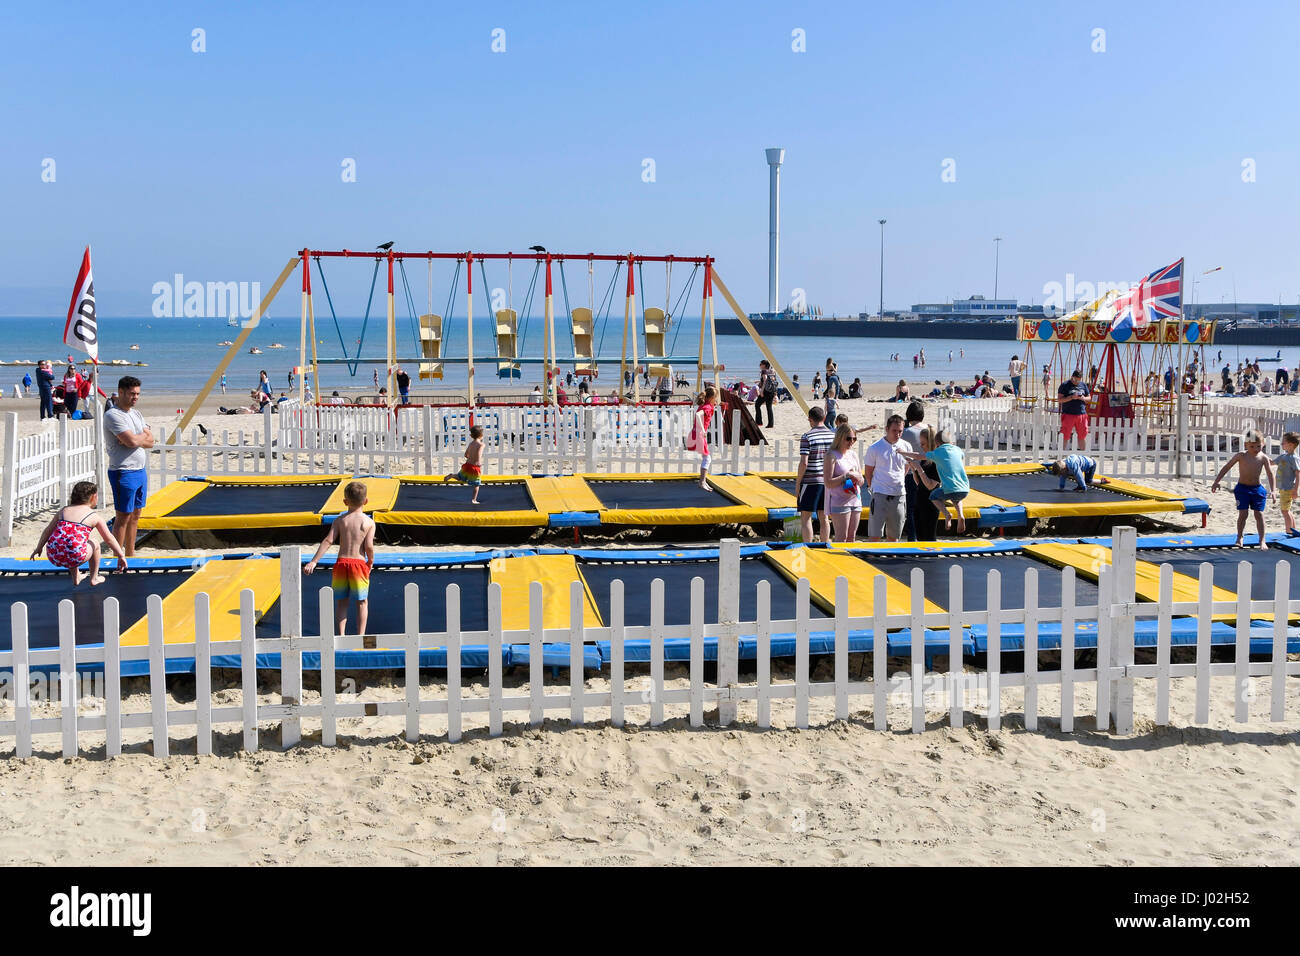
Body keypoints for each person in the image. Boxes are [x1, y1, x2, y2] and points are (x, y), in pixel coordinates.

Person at [303, 481, 375, 636]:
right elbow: (369, 545)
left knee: (342, 601)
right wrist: (370, 561)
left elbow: (328, 541)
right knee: (362, 602)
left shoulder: (340, 521)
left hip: (341, 563)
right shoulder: (368, 522)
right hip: (358, 564)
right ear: (366, 501)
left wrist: (314, 561)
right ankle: (360, 635)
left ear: (345, 502)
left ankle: (341, 634)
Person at [30, 481, 128, 586]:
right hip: (75, 556)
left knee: (69, 539)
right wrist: (120, 555)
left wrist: (39, 547)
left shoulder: (63, 510)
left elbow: (48, 530)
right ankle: (94, 578)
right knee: (94, 543)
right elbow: (109, 538)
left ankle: (76, 577)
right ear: (93, 497)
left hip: (53, 554)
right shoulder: (94, 516)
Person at [103, 375, 153, 557]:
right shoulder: (112, 415)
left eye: (138, 394)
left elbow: (151, 441)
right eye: (132, 394)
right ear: (121, 392)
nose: (135, 397)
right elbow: (131, 440)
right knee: (123, 517)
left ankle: (130, 555)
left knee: (136, 516)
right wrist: (137, 439)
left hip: (140, 470)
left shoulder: (136, 414)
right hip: (123, 471)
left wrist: (135, 439)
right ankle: (118, 557)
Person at [1211, 430, 1275, 549]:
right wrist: (1216, 481)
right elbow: (1227, 467)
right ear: (1246, 445)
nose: (1255, 449)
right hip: (1242, 489)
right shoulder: (1241, 455)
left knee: (1259, 514)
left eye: (1258, 446)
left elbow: (1270, 474)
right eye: (1252, 446)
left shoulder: (1263, 458)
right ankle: (1239, 537)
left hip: (1257, 489)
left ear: (1263, 445)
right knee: (1243, 514)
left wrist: (1273, 490)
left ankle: (1262, 540)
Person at [861, 414, 909, 542]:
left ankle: (891, 560)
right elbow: (868, 471)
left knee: (894, 536)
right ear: (887, 429)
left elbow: (907, 467)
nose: (897, 434)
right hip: (880, 494)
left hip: (899, 493)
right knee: (875, 535)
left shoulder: (906, 446)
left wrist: (899, 479)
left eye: (900, 431)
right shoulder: (875, 448)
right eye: (894, 431)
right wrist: (873, 487)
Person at [795, 405, 834, 543]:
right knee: (824, 517)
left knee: (806, 517)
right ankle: (824, 544)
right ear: (824, 418)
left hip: (811, 480)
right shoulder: (833, 435)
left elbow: (804, 462)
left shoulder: (807, 436)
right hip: (828, 480)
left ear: (810, 419)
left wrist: (798, 482)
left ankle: (808, 545)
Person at [822, 424, 864, 542]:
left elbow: (862, 480)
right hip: (839, 501)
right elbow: (828, 482)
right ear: (840, 438)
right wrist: (846, 476)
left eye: (854, 439)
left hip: (855, 498)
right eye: (848, 439)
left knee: (852, 537)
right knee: (841, 537)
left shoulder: (853, 454)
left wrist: (857, 478)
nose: (851, 442)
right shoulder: (831, 455)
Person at [904, 427, 941, 541]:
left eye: (923, 444)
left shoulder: (937, 461)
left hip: (931, 504)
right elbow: (920, 483)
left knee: (929, 538)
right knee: (920, 538)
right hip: (920, 501)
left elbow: (930, 485)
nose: (921, 447)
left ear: (930, 443)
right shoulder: (926, 459)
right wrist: (913, 468)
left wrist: (919, 468)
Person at [444, 424, 486, 504]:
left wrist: (470, 458)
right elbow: (479, 454)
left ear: (471, 435)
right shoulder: (481, 445)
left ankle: (452, 475)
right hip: (474, 467)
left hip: (467, 465)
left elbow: (466, 454)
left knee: (460, 477)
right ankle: (474, 500)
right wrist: (478, 463)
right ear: (481, 435)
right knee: (477, 484)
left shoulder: (471, 444)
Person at [1274, 431, 1300, 534]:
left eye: (1283, 442)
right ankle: (1292, 530)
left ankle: (1289, 531)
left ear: (1291, 445)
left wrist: (1295, 490)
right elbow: (1271, 462)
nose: (1281, 444)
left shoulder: (1294, 458)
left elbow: (1298, 474)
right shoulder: (1284, 456)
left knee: (1285, 511)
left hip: (1288, 488)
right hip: (1283, 488)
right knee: (1287, 510)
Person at [693, 385, 718, 490]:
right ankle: (702, 482)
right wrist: (703, 429)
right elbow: (698, 415)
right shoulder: (707, 407)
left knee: (706, 458)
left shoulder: (706, 405)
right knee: (707, 458)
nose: (716, 401)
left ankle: (703, 481)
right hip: (699, 434)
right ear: (711, 398)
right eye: (715, 398)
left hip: (697, 433)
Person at [1057, 369, 1090, 447]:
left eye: (1078, 380)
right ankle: (1061, 455)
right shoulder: (1065, 385)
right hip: (1068, 413)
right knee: (1065, 435)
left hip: (1081, 414)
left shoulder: (1083, 385)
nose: (1076, 382)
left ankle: (1083, 455)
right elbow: (1060, 399)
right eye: (1075, 379)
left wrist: (1083, 398)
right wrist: (1071, 397)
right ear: (1072, 377)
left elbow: (1089, 398)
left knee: (1083, 435)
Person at [754, 360, 777, 428]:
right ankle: (770, 424)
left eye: (760, 364)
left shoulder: (764, 371)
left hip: (765, 392)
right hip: (771, 391)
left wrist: (761, 391)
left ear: (764, 365)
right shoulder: (772, 371)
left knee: (757, 404)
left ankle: (759, 422)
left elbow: (765, 379)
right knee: (769, 407)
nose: (759, 365)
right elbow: (770, 380)